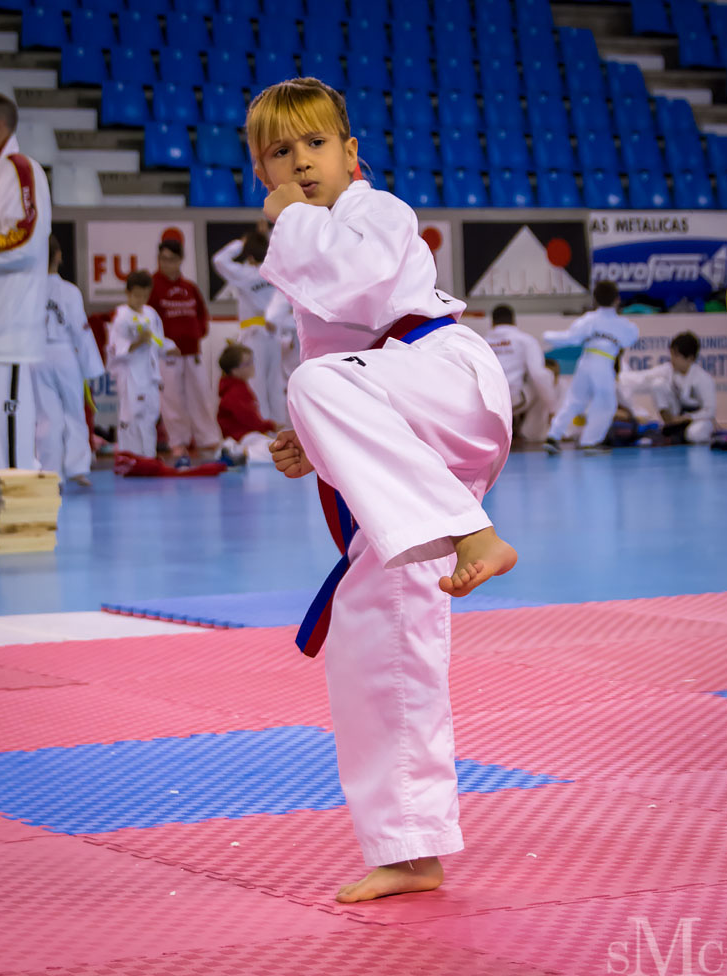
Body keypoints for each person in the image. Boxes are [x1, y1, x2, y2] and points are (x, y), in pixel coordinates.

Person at [249, 77, 516, 904]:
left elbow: (359, 289)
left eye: (315, 146)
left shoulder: (375, 211)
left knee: (320, 384)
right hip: (413, 427)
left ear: (352, 153)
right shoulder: (310, 241)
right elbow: (348, 367)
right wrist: (321, 441)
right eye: (279, 154)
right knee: (379, 631)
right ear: (258, 167)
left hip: (451, 384)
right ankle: (409, 844)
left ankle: (473, 532)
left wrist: (285, 217)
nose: (300, 166)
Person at [0, 91, 51, 471]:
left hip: (7, 337)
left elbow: (24, 239)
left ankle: (16, 529)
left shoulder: (21, 169)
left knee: (11, 461)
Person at [31, 235, 104, 486]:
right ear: (59, 256)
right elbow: (81, 331)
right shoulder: (70, 291)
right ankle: (77, 467)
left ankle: (51, 473)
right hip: (64, 355)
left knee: (46, 416)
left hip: (35, 356)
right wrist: (92, 369)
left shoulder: (28, 288)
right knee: (74, 412)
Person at [543, 281, 639, 455]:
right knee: (605, 403)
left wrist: (547, 336)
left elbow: (570, 337)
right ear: (617, 300)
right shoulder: (623, 325)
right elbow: (631, 338)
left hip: (585, 362)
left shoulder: (588, 320)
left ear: (595, 300)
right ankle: (590, 442)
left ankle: (553, 435)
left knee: (574, 400)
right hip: (604, 363)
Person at [148, 237, 219, 468]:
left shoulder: (190, 288)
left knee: (201, 397)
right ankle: (177, 442)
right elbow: (149, 320)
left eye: (171, 259)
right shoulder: (153, 287)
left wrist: (197, 333)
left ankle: (207, 439)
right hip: (168, 355)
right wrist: (165, 344)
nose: (166, 263)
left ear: (180, 260)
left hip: (193, 352)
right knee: (172, 401)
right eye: (162, 259)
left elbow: (202, 315)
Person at [211, 223, 287, 425]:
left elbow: (219, 260)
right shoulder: (276, 270)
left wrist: (241, 243)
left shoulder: (244, 273)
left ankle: (262, 429)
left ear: (250, 257)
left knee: (257, 385)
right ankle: (279, 429)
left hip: (254, 335)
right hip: (276, 333)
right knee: (276, 385)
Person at [108, 270, 178, 458]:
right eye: (137, 295)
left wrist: (169, 348)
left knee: (150, 416)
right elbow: (115, 350)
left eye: (145, 295)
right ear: (128, 293)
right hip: (130, 374)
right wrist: (138, 341)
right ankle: (129, 457)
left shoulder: (151, 313)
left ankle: (148, 456)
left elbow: (158, 340)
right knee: (131, 416)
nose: (141, 299)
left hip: (150, 374)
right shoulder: (121, 317)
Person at [620, 331, 716, 444]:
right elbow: (642, 378)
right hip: (676, 418)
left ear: (690, 358)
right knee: (657, 384)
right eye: (671, 354)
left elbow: (710, 410)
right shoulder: (668, 370)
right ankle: (670, 425)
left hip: (698, 419)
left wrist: (688, 417)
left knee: (694, 435)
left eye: (676, 356)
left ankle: (685, 433)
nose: (672, 359)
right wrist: (617, 377)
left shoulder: (703, 378)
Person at [483, 304, 555, 442]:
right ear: (514, 321)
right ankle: (531, 432)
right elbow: (538, 375)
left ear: (492, 322)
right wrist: (553, 408)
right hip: (514, 401)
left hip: (486, 404)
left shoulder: (482, 341)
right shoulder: (525, 340)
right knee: (546, 377)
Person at [216, 341, 278, 463]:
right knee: (277, 450)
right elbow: (249, 419)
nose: (252, 366)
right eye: (247, 363)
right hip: (244, 437)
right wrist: (270, 425)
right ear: (235, 370)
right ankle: (240, 453)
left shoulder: (238, 387)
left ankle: (237, 450)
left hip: (245, 436)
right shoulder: (235, 392)